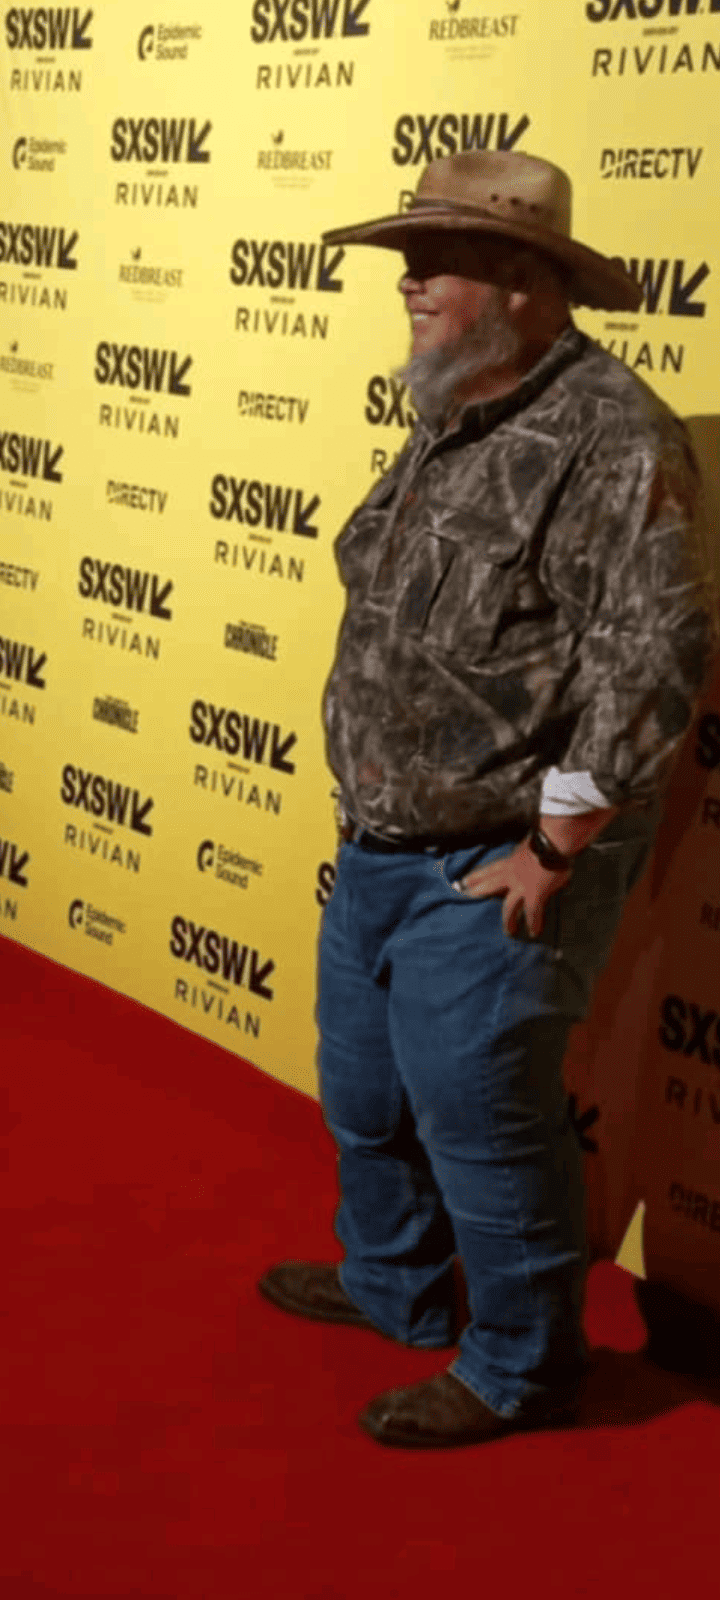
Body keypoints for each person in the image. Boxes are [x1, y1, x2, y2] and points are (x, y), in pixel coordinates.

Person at [258, 151, 718, 1448]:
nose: (406, 282)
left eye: (434, 259)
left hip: (491, 863)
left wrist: (555, 845)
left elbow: (650, 658)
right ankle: (394, 1286)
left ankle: (524, 1366)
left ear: (522, 284)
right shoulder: (457, 407)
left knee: (484, 1124)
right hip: (381, 846)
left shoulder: (612, 436)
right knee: (365, 1091)